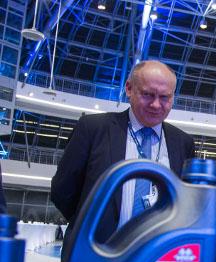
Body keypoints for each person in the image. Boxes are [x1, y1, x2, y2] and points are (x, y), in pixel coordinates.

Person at [50, 60, 194, 242]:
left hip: (157, 254)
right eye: (148, 94)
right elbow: (62, 191)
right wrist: (91, 229)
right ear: (129, 88)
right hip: (95, 250)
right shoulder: (93, 129)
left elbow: (186, 204)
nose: (156, 105)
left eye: (164, 97)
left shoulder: (183, 143)